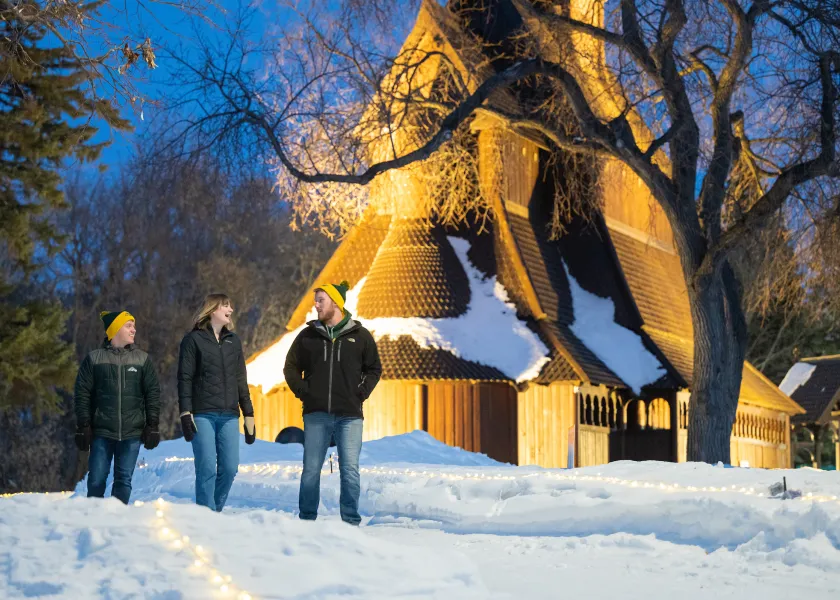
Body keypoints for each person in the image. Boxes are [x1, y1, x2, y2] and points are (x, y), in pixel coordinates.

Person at [283, 280, 382, 525]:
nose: (316, 306)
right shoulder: (307, 336)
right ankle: (307, 519)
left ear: (335, 303)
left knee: (350, 471)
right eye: (316, 301)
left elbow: (374, 369)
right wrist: (304, 391)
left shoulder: (360, 336)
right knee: (311, 470)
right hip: (316, 414)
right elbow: (290, 367)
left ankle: (350, 521)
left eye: (320, 301)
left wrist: (361, 393)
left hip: (350, 415)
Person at [177, 293, 256, 512]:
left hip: (229, 415)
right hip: (202, 413)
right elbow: (185, 378)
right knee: (206, 468)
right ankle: (206, 518)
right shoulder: (193, 340)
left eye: (230, 306)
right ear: (212, 310)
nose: (230, 310)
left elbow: (241, 379)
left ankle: (212, 511)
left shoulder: (234, 341)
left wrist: (248, 414)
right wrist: (185, 412)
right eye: (225, 306)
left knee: (230, 468)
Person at [74, 310, 161, 505]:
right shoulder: (94, 359)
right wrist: (83, 425)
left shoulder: (142, 360)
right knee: (96, 481)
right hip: (101, 432)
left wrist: (152, 424)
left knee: (123, 480)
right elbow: (82, 393)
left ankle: (116, 524)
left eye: (134, 325)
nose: (134, 329)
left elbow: (153, 393)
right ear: (114, 330)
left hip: (132, 432)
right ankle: (94, 523)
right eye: (128, 325)